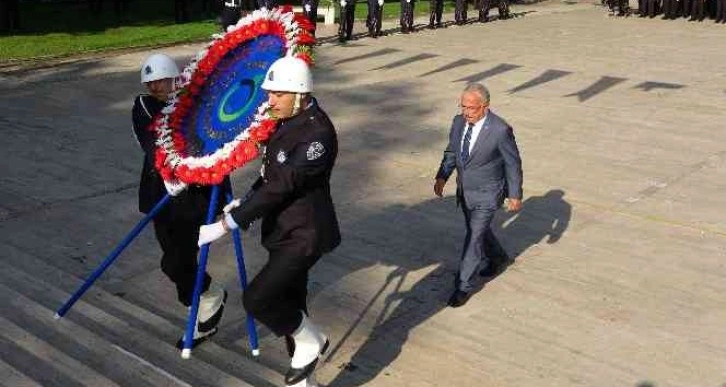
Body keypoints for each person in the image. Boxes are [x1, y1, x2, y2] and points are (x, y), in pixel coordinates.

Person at [198, 56, 341, 387]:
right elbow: (269, 175)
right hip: (282, 231)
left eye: (277, 94)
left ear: (300, 94)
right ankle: (304, 377)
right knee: (291, 304)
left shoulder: (318, 134)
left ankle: (312, 342)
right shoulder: (285, 121)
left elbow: (284, 184)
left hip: (305, 235)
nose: (270, 100)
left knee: (258, 299)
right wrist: (245, 201)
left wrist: (227, 223)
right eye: (270, 93)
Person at [132, 53, 227, 348]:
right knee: (174, 261)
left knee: (177, 261)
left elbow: (215, 141)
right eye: (151, 82)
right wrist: (172, 169)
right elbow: (154, 143)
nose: (156, 87)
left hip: (194, 199)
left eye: (161, 80)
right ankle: (204, 301)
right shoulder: (145, 106)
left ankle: (204, 306)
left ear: (175, 78)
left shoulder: (199, 107)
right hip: (161, 193)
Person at [433, 83, 523, 308]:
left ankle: (463, 285)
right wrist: (442, 176)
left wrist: (515, 194)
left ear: (485, 107)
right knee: (478, 232)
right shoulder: (457, 122)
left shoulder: (499, 130)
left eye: (471, 108)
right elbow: (452, 151)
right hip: (465, 191)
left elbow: (513, 163)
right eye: (463, 106)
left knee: (473, 237)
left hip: (488, 193)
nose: (466, 112)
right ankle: (498, 257)